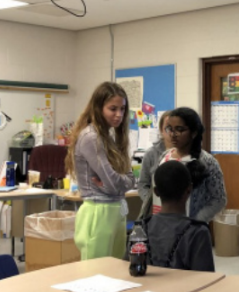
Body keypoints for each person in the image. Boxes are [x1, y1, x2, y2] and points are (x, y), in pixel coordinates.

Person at [66, 82, 135, 260]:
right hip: (98, 211)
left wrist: (117, 184)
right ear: (98, 107)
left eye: (122, 109)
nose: (118, 114)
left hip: (116, 209)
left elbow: (129, 181)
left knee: (116, 273)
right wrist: (116, 184)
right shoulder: (91, 136)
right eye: (113, 109)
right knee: (95, 276)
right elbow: (114, 184)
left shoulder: (111, 136)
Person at [156, 107, 226, 222]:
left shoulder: (207, 161)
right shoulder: (164, 157)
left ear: (193, 133)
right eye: (170, 129)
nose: (173, 134)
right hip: (163, 224)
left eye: (179, 129)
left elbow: (219, 200)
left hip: (191, 229)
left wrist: (196, 221)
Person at [141, 161, 214, 271]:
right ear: (189, 189)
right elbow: (206, 280)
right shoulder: (198, 232)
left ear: (156, 192)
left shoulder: (141, 228)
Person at [137, 110, 172, 219]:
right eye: (167, 127)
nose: (171, 132)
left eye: (176, 127)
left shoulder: (186, 153)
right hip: (156, 212)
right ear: (161, 130)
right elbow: (142, 184)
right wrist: (151, 201)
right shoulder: (151, 154)